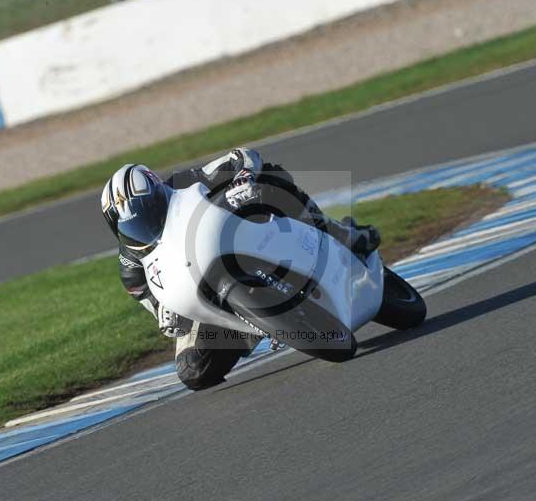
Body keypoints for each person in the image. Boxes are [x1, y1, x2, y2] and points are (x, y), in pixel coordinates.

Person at [100, 148, 380, 390]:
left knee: (272, 177)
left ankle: (340, 232)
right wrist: (162, 311)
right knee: (193, 371)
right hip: (196, 291)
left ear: (157, 191)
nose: (143, 224)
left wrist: (244, 177)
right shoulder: (130, 264)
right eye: (131, 225)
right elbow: (148, 297)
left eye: (147, 210)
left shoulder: (186, 181)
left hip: (245, 236)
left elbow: (242, 156)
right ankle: (253, 326)